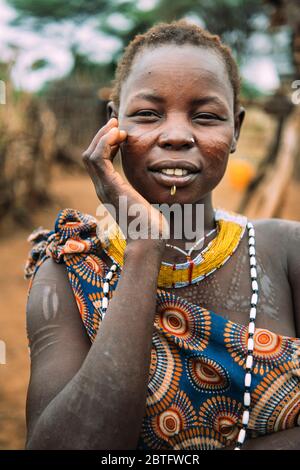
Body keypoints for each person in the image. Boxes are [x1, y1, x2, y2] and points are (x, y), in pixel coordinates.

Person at [24, 20, 300, 450]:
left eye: (206, 116)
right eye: (148, 114)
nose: (175, 135)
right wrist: (144, 246)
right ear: (113, 124)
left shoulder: (285, 253)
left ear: (237, 131)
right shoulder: (67, 273)